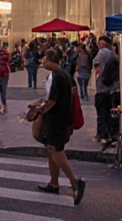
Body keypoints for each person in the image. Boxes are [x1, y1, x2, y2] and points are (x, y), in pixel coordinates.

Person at [31, 48, 84, 205]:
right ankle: (54, 183)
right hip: (62, 118)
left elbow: (52, 101)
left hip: (57, 120)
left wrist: (39, 112)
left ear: (49, 59)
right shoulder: (65, 74)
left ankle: (75, 183)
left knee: (56, 150)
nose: (43, 62)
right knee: (51, 149)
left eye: (45, 59)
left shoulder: (57, 76)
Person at [91, 36, 121, 148]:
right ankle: (111, 135)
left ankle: (103, 135)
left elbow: (97, 68)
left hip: (102, 88)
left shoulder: (102, 53)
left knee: (101, 113)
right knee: (109, 114)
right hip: (112, 88)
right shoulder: (114, 55)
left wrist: (99, 75)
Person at [0, 45, 12, 114]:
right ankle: (4, 106)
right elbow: (9, 61)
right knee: (3, 91)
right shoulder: (7, 54)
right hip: (5, 74)